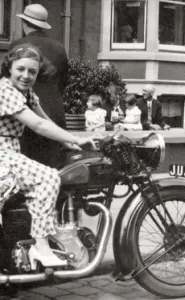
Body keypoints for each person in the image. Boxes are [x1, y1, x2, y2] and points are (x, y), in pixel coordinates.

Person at [0, 44, 96, 267]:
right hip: (2, 153)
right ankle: (41, 247)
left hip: (10, 152)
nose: (26, 76)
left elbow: (46, 120)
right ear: (9, 68)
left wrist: (70, 140)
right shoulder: (5, 90)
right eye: (20, 69)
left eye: (32, 72)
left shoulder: (26, 93)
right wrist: (74, 140)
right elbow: (39, 126)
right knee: (48, 178)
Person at [8, 4, 69, 168]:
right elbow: (64, 81)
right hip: (54, 113)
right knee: (55, 169)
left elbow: (8, 81)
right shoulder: (59, 48)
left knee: (26, 171)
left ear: (24, 23)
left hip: (25, 116)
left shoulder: (17, 46)